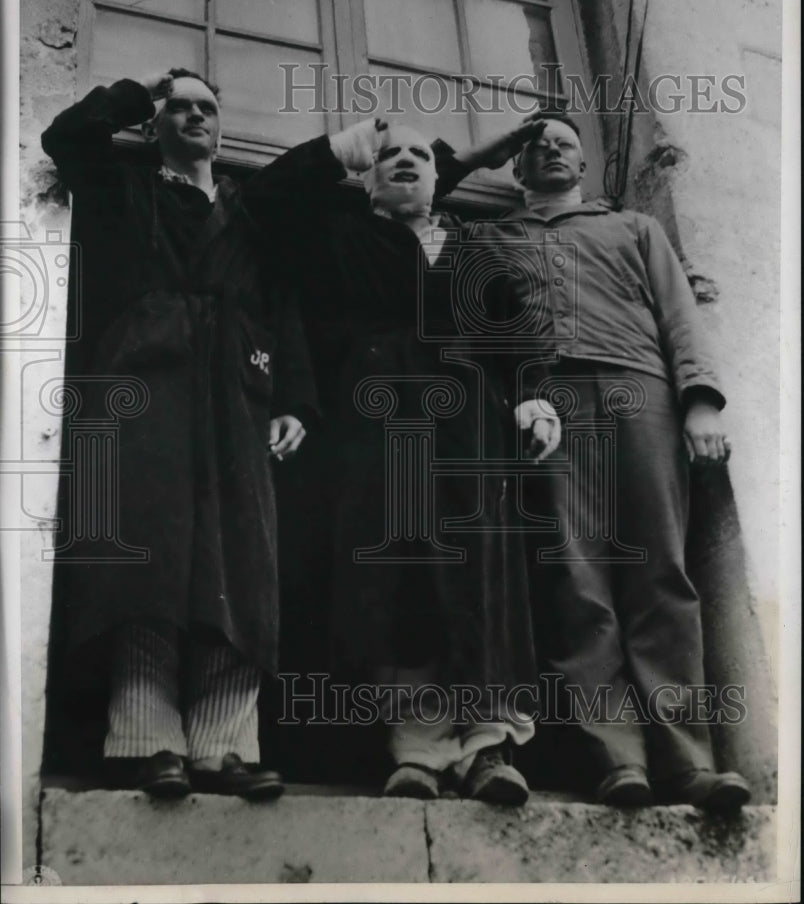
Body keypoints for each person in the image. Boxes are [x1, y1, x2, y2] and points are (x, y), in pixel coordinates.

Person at [244, 117, 560, 804]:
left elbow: (520, 339)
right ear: (366, 176)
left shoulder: (475, 250)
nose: (407, 162)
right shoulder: (335, 235)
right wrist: (339, 145)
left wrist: (533, 401)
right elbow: (269, 211)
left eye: (421, 154)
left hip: (468, 426)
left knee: (476, 575)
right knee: (399, 577)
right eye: (389, 155)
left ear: (442, 176)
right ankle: (415, 747)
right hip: (372, 420)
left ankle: (488, 749)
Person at [42, 70, 318, 799]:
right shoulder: (126, 189)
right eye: (180, 106)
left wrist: (292, 399)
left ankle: (224, 745)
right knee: (148, 556)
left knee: (239, 561)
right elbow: (67, 138)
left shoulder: (248, 211)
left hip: (236, 392)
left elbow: (278, 304)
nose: (195, 115)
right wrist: (141, 90)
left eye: (208, 107)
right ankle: (146, 737)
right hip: (144, 384)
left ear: (222, 129)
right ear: (154, 123)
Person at [468, 111, 752, 811]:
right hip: (548, 406)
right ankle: (615, 757)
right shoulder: (491, 239)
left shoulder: (632, 228)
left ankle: (687, 762)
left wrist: (701, 402)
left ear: (584, 165)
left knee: (659, 570)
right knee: (576, 576)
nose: (552, 151)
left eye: (565, 142)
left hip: (640, 394)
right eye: (537, 145)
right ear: (516, 167)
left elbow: (680, 314)